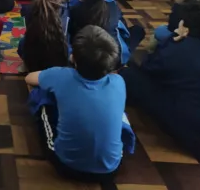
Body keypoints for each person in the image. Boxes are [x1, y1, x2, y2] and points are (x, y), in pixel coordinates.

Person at [25, 25, 125, 182]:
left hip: (67, 166)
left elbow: (29, 78)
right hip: (111, 169)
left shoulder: (61, 75)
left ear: (73, 58)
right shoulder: (119, 82)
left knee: (40, 95)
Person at [118, 3, 200, 162]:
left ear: (185, 28)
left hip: (193, 128)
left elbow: (149, 68)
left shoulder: (183, 47)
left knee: (129, 76)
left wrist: (171, 40)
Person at [18, 0, 69, 72]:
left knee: (24, 41)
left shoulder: (28, 10)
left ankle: (27, 65)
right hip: (59, 63)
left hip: (33, 61)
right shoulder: (65, 11)